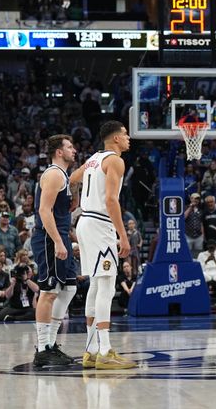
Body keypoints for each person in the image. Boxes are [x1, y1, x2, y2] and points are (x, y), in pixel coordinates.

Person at [73, 121, 135, 369]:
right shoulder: (116, 161)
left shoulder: (94, 159)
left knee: (96, 284)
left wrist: (77, 200)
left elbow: (73, 178)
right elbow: (110, 200)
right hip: (99, 224)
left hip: (85, 222)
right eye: (125, 134)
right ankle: (105, 351)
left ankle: (91, 350)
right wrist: (123, 235)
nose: (129, 138)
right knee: (107, 286)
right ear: (116, 139)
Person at [31, 134, 79, 367]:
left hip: (60, 237)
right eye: (70, 147)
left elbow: (61, 211)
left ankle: (51, 344)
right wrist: (59, 242)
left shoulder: (64, 175)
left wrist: (69, 237)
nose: (74, 150)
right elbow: (44, 211)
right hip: (49, 240)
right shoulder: (52, 174)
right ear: (59, 152)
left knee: (69, 288)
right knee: (49, 292)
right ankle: (42, 348)